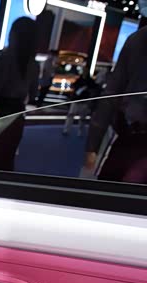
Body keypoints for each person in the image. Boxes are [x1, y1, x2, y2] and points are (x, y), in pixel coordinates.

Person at [85, 23, 147, 184]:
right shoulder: (137, 40)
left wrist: (93, 145)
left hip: (128, 138)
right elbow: (112, 94)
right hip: (129, 139)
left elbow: (111, 94)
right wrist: (93, 145)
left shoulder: (136, 39)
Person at [0, 17, 39, 171]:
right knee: (5, 162)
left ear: (14, 34)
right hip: (17, 116)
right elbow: (33, 94)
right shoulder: (33, 64)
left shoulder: (4, 59)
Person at [62, 69, 100, 136]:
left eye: (85, 71)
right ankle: (66, 129)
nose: (84, 73)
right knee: (71, 115)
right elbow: (74, 87)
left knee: (82, 118)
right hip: (76, 100)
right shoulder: (79, 80)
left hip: (84, 101)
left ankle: (80, 130)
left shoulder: (90, 81)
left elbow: (93, 89)